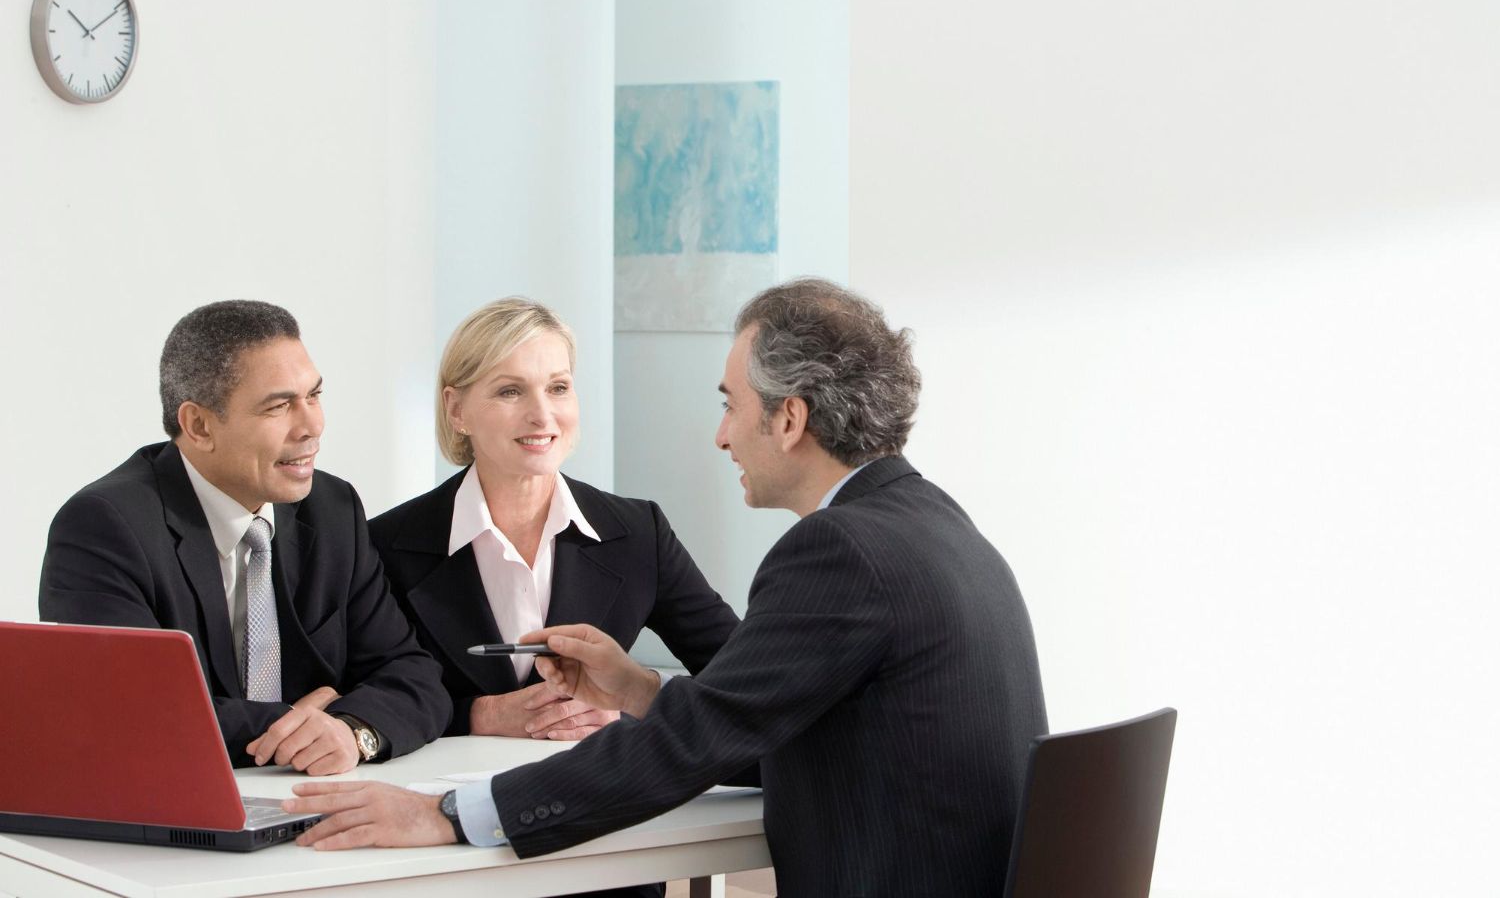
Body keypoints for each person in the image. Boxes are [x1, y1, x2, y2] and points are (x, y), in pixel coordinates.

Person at [282, 279, 1048, 897]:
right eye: (512, 390)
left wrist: (449, 816)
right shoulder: (929, 518)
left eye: (730, 404)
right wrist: (641, 687)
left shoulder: (838, 549)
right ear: (459, 407)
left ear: (789, 418)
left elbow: (702, 735)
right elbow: (754, 714)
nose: (720, 434)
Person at [39, 301, 450, 775]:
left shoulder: (334, 509)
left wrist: (351, 730)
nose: (312, 425)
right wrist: (305, 723)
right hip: (174, 810)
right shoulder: (104, 526)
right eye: (279, 406)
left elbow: (415, 677)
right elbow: (133, 714)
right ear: (199, 425)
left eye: (313, 396)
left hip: (313, 802)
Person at [369, 298, 740, 745]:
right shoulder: (384, 545)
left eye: (558, 388)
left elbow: (742, 678)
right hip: (440, 802)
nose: (542, 415)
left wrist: (628, 709)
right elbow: (357, 697)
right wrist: (475, 715)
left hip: (602, 799)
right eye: (510, 391)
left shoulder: (640, 531)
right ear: (456, 410)